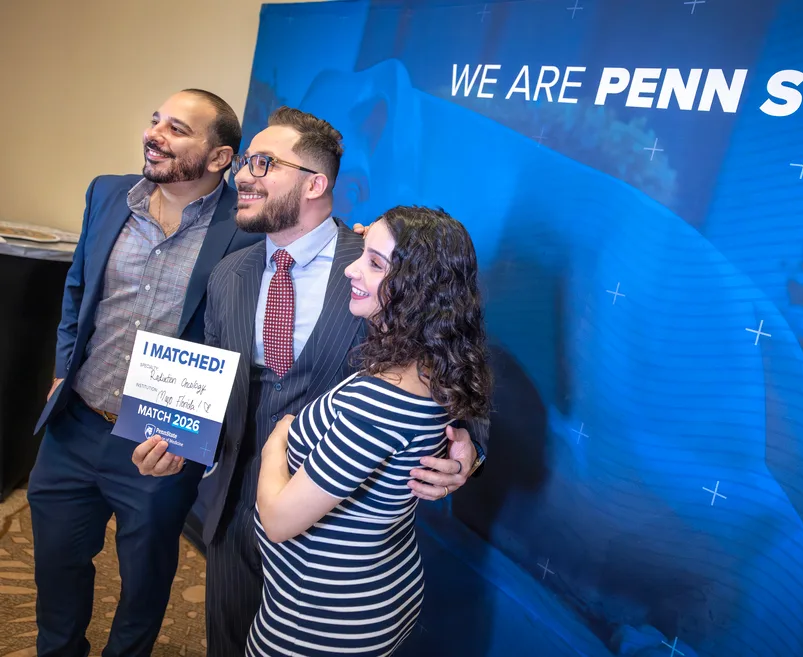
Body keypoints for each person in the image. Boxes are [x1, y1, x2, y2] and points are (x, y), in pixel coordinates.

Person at [131, 107, 488, 656]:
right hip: (231, 514)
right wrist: (175, 441)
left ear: (316, 182)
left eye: (262, 163)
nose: (243, 175)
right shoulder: (230, 274)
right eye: (245, 162)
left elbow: (451, 348)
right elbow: (213, 381)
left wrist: (469, 442)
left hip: (332, 555)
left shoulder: (382, 270)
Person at [27, 89, 259, 657]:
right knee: (56, 566)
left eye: (178, 129)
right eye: (157, 121)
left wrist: (196, 437)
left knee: (144, 581)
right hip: (75, 425)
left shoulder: (244, 227)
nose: (155, 134)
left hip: (160, 443)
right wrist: (62, 370)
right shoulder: (107, 194)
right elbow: (79, 289)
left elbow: (241, 344)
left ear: (219, 158)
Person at [252, 204, 492, 656]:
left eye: (375, 263)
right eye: (363, 253)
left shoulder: (377, 405)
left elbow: (279, 521)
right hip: (371, 588)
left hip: (322, 616)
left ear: (419, 289)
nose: (351, 269)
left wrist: (277, 440)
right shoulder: (428, 367)